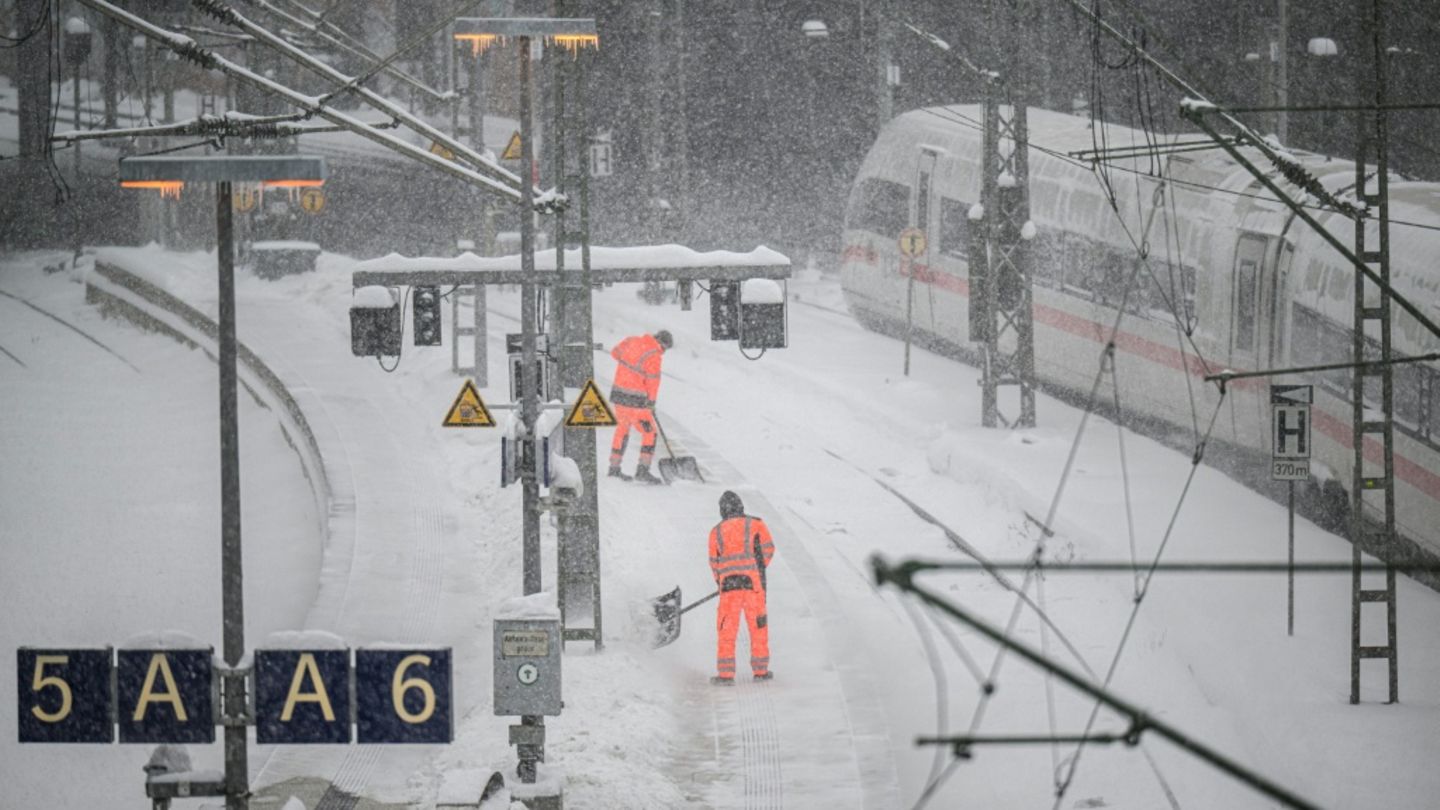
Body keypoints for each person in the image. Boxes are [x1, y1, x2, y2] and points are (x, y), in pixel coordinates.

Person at [708, 490, 776, 684]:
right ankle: (761, 671)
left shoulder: (716, 531)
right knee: (758, 627)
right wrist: (756, 567)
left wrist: (720, 581)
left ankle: (726, 675)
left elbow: (714, 561)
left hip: (729, 589)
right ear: (741, 506)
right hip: (752, 585)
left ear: (722, 510)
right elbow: (769, 549)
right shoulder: (756, 524)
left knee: (727, 630)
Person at [607, 329, 672, 484]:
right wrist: (651, 402)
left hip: (619, 395)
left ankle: (614, 468)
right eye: (665, 349)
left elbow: (615, 353)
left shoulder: (632, 340)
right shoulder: (654, 354)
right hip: (635, 400)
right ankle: (643, 470)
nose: (663, 352)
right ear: (662, 344)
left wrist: (629, 369)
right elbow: (653, 381)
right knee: (650, 432)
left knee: (622, 429)